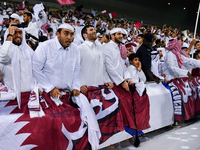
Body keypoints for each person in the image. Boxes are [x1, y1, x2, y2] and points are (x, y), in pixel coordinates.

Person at [32, 23, 101, 150]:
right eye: (66, 34)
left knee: (85, 117)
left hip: (69, 93)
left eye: (72, 34)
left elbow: (76, 70)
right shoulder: (45, 46)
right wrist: (50, 87)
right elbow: (36, 69)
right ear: (57, 34)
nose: (69, 37)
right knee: (54, 122)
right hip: (50, 93)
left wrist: (75, 86)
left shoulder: (75, 48)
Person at [0, 24, 40, 109]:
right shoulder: (4, 49)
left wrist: (38, 87)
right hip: (11, 98)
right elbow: (3, 57)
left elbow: (37, 70)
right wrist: (10, 35)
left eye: (20, 33)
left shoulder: (29, 51)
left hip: (31, 96)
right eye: (15, 32)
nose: (18, 35)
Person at [79, 25, 113, 93]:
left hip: (99, 86)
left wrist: (107, 80)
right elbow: (76, 69)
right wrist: (80, 84)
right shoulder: (80, 48)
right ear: (85, 35)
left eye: (94, 30)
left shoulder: (100, 48)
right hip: (85, 87)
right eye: (91, 30)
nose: (94, 31)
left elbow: (103, 66)